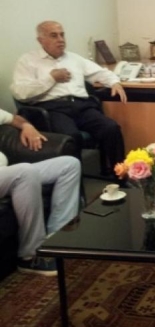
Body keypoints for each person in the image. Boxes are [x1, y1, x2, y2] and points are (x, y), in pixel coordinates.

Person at [11, 20, 128, 184]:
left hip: (81, 106)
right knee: (71, 137)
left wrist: (114, 82)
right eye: (54, 36)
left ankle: (120, 177)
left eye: (62, 35)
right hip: (52, 108)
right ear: (41, 40)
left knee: (111, 128)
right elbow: (21, 93)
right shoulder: (28, 61)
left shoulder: (74, 58)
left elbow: (100, 72)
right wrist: (51, 78)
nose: (60, 39)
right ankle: (73, 183)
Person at [0, 108, 81, 276]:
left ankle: (56, 241)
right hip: (10, 174)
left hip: (5, 172)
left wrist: (27, 126)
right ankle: (30, 255)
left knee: (69, 165)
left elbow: (14, 119)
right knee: (25, 172)